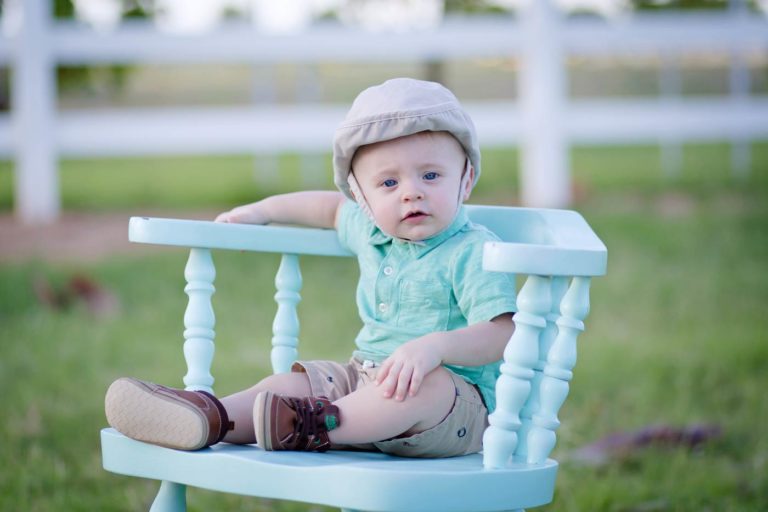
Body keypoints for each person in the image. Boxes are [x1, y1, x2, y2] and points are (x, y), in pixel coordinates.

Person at [105, 78, 517, 458]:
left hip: (453, 408)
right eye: (389, 184)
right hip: (364, 378)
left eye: (430, 175)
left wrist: (435, 348)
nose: (411, 193)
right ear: (363, 197)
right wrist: (261, 210)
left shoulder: (471, 249)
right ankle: (211, 417)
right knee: (291, 385)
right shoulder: (371, 229)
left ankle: (310, 425)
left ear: (466, 180)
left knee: (421, 386)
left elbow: (503, 331)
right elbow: (326, 206)